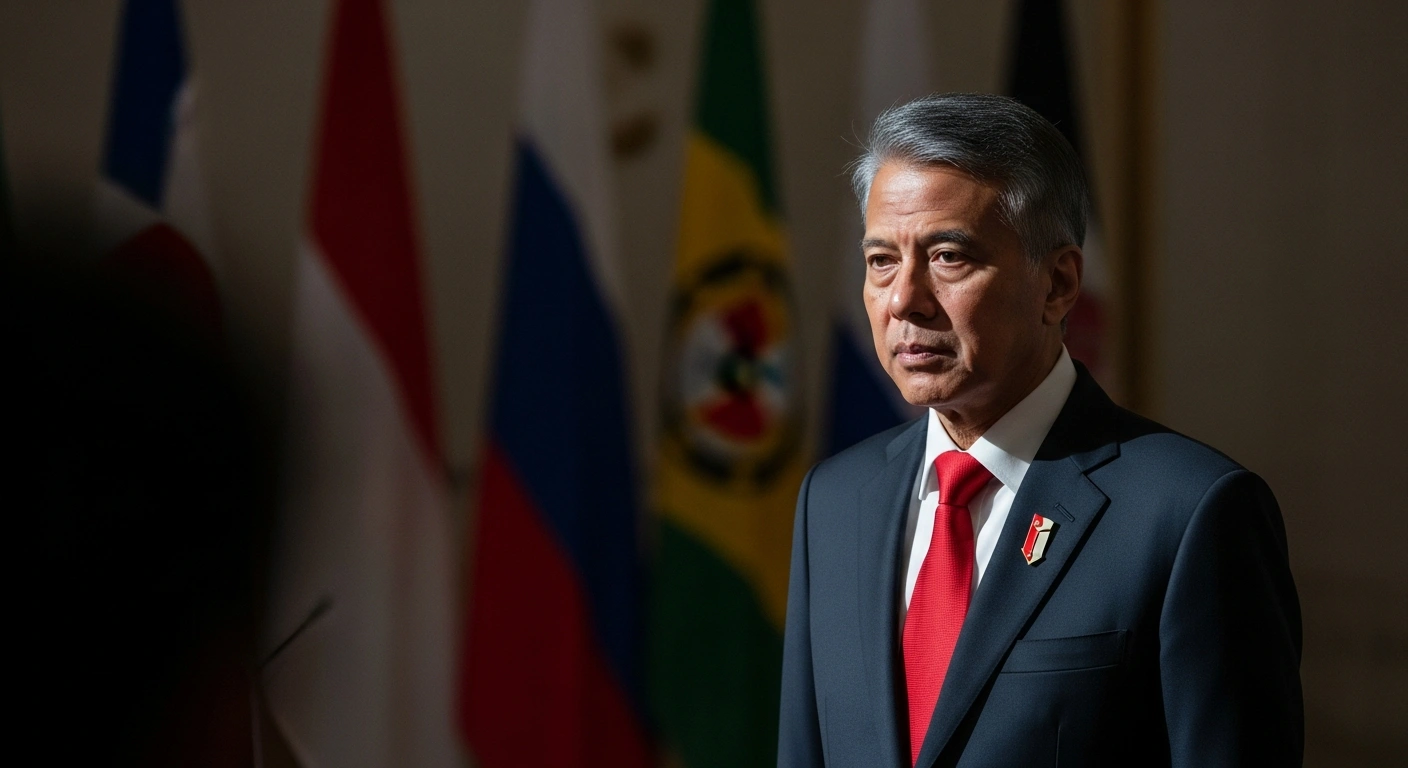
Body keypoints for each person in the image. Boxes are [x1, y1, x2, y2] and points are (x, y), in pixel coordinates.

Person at [777, 94, 1302, 767]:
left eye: (948, 256)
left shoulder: (1190, 513)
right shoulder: (833, 501)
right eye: (881, 260)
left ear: (1057, 284)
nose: (904, 299)